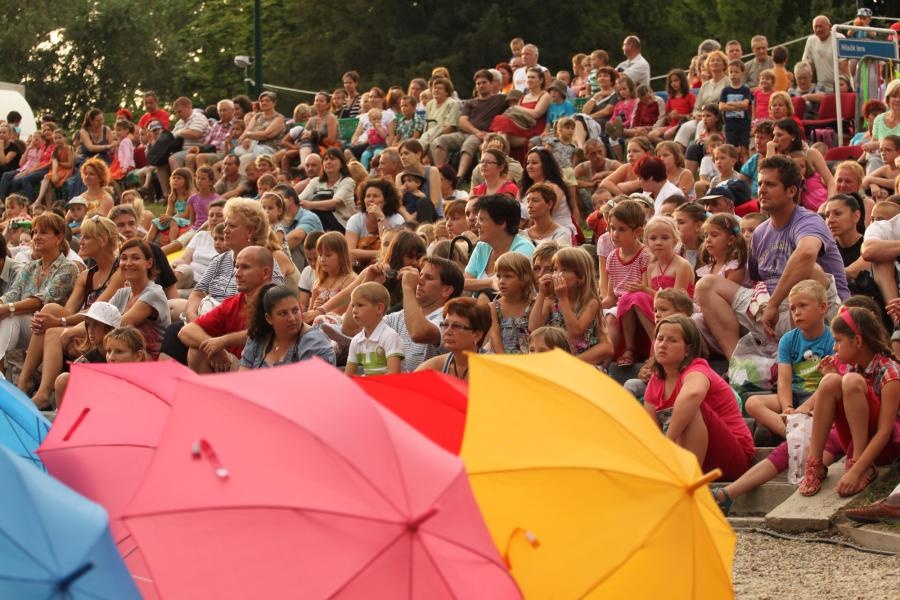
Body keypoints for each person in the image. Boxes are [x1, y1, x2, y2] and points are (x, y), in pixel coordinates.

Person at [697, 156, 848, 358]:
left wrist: (774, 304)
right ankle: (738, 364)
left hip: (818, 309)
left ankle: (795, 360)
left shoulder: (809, 220)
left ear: (791, 191)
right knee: (706, 285)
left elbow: (806, 254)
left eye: (770, 184)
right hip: (768, 307)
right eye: (759, 183)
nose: (762, 189)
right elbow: (753, 282)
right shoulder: (759, 232)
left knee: (811, 271)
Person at [18, 216, 119, 408]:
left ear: (103, 240)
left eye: (86, 237)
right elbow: (69, 310)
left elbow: (99, 312)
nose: (79, 241)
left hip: (105, 327)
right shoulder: (86, 274)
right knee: (49, 309)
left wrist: (60, 323)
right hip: (85, 326)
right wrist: (56, 318)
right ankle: (24, 381)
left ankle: (43, 392)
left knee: (54, 329)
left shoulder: (119, 272)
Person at [799, 306, 900, 497]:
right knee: (830, 381)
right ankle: (815, 464)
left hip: (885, 448)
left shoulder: (890, 372)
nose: (834, 348)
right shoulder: (854, 368)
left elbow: (885, 432)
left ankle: (861, 463)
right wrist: (832, 377)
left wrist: (856, 471)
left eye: (838, 341)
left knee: (850, 381)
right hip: (857, 442)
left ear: (858, 340)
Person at [645, 315, 755, 481]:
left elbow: (693, 394)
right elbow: (649, 429)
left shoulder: (697, 368)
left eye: (672, 340)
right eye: (659, 339)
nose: (662, 345)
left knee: (691, 406)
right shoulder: (656, 380)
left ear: (688, 349)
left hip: (733, 457)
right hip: (692, 455)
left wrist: (667, 442)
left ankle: (688, 479)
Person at [745, 280, 834, 438]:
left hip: (820, 398)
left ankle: (803, 430)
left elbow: (832, 381)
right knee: (752, 403)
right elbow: (784, 380)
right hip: (794, 395)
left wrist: (804, 408)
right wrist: (787, 407)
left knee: (833, 407)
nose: (796, 312)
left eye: (803, 305)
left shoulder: (833, 338)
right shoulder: (787, 339)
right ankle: (793, 434)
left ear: (822, 308)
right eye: (793, 308)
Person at [0, 213, 78, 369]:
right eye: (34, 232)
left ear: (59, 238)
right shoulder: (31, 267)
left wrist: (7, 308)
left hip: (47, 328)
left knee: (10, 317)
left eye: (43, 232)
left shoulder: (68, 268)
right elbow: (13, 293)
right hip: (26, 327)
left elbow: (43, 300)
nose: (36, 237)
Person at [179, 245, 274, 373]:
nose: (237, 274)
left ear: (265, 273)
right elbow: (186, 332)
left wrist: (221, 342)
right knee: (197, 351)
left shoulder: (279, 299)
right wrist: (214, 347)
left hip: (272, 371)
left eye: (245, 267)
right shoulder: (233, 303)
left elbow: (263, 332)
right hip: (242, 367)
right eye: (236, 266)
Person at [531, 246, 611, 365]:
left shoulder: (590, 302)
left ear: (580, 278)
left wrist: (563, 298)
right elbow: (533, 328)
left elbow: (575, 330)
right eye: (555, 269)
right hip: (555, 361)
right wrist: (541, 295)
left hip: (582, 363)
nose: (557, 275)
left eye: (564, 270)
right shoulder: (551, 301)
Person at [601, 199, 651, 366]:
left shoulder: (645, 255)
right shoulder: (612, 257)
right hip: (620, 305)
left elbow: (645, 289)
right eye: (612, 228)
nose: (615, 234)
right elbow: (610, 297)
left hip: (639, 306)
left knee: (619, 308)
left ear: (637, 232)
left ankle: (613, 358)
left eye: (622, 229)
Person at [432, 70, 507, 179]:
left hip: (485, 135)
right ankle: (439, 174)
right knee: (440, 141)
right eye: (478, 83)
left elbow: (516, 101)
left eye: (484, 82)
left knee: (469, 144)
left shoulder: (500, 99)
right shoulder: (470, 102)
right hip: (468, 133)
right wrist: (476, 132)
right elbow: (462, 121)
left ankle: (459, 177)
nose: (481, 86)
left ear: (491, 84)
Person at [239, 284, 335, 369]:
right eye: (283, 313)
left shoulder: (315, 342)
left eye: (295, 311)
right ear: (269, 318)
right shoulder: (258, 338)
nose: (292, 318)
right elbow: (243, 380)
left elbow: (313, 386)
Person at [106, 239, 171, 359]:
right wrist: (66, 326)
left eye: (135, 258)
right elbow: (99, 315)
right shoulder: (122, 293)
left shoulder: (154, 293)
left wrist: (72, 331)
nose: (128, 263)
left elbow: (121, 325)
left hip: (147, 358)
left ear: (149, 263)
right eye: (124, 258)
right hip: (117, 351)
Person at [464, 194, 535, 293]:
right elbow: (465, 283)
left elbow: (513, 288)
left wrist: (480, 286)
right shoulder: (482, 246)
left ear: (501, 222)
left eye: (481, 220)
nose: (476, 225)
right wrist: (490, 283)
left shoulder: (523, 248)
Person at [416, 297, 490, 379]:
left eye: (456, 326)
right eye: (445, 324)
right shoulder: (434, 366)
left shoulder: (493, 370)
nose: (447, 332)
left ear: (477, 335)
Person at [345, 282, 404, 376]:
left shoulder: (390, 336)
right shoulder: (356, 341)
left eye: (360, 305)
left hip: (393, 387)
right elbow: (349, 375)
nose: (354, 310)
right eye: (353, 305)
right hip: (372, 386)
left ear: (379, 308)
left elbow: (394, 374)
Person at [345, 178, 405, 269]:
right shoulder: (355, 219)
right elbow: (349, 252)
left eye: (375, 196)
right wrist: (380, 253)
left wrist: (380, 218)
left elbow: (390, 247)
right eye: (368, 196)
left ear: (386, 200)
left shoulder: (397, 219)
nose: (370, 200)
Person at [484, 251, 532, 354]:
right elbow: (494, 335)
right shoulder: (494, 307)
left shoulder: (532, 305)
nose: (501, 281)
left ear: (524, 278)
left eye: (508, 276)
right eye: (499, 276)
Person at [299, 147, 356, 233]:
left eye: (332, 159)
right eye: (325, 159)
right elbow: (300, 199)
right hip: (321, 221)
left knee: (313, 213)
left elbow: (335, 203)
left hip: (343, 225)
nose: (328, 162)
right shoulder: (315, 181)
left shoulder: (347, 181)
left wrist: (310, 204)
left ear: (341, 163)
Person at [802, 15, 846, 92]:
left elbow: (844, 66)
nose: (818, 29)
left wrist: (842, 87)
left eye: (821, 26)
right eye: (816, 27)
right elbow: (807, 65)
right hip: (821, 87)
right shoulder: (811, 40)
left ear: (830, 27)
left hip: (838, 87)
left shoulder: (839, 38)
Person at [719, 60, 752, 158]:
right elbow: (721, 106)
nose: (733, 74)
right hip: (730, 125)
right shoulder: (725, 90)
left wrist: (730, 103)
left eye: (736, 72)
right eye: (731, 72)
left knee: (744, 150)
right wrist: (738, 105)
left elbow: (745, 105)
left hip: (743, 125)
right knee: (731, 149)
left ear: (742, 73)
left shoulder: (745, 89)